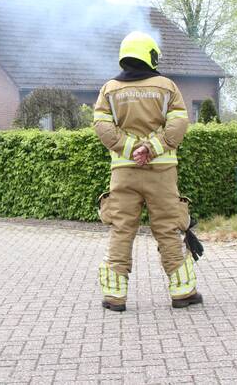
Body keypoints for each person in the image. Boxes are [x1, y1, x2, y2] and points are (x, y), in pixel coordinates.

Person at [92, 31, 203, 310]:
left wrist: (131, 148)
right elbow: (178, 124)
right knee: (167, 228)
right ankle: (183, 292)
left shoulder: (109, 89)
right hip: (161, 171)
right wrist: (152, 148)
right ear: (150, 55)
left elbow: (102, 127)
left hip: (124, 172)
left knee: (121, 230)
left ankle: (115, 297)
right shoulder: (167, 86)